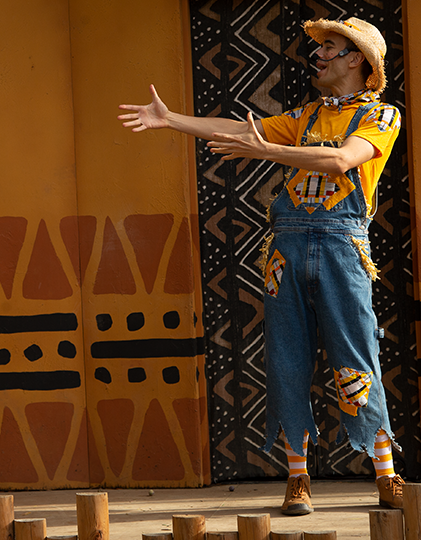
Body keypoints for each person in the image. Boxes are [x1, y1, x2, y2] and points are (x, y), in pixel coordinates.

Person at [119, 17, 403, 515]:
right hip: (286, 249)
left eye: (329, 48)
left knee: (356, 354)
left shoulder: (381, 116)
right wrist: (173, 120)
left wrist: (266, 151)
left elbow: (342, 161)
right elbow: (238, 129)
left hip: (342, 248)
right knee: (287, 357)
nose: (317, 55)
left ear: (356, 59)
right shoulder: (307, 115)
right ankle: (298, 479)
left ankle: (385, 473)